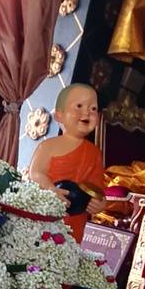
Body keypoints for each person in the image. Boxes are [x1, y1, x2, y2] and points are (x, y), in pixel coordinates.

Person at [29, 82, 107, 242]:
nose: (87, 112)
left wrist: (100, 203)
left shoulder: (94, 153)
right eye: (79, 106)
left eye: (93, 109)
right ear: (59, 115)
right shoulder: (48, 146)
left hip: (76, 219)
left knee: (66, 255)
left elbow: (96, 188)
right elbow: (35, 173)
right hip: (46, 211)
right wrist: (51, 189)